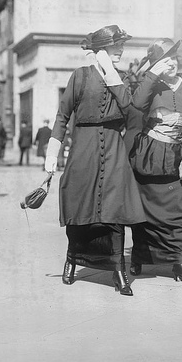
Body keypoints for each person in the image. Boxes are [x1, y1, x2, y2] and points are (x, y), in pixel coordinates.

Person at [45, 25, 145, 296]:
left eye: (121, 45)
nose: (121, 50)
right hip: (83, 148)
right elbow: (62, 116)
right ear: (101, 49)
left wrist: (111, 72)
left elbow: (130, 111)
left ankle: (118, 269)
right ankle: (72, 259)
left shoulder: (122, 78)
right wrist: (52, 152)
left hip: (114, 149)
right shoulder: (79, 76)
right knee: (80, 207)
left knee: (116, 209)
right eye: (115, 46)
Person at [128, 38, 182, 284]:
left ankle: (179, 262)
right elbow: (137, 105)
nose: (170, 63)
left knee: (179, 211)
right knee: (145, 210)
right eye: (164, 60)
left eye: (173, 58)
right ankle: (139, 257)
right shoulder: (151, 84)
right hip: (150, 154)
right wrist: (151, 76)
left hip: (177, 157)